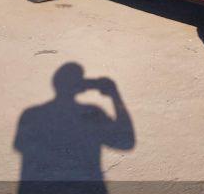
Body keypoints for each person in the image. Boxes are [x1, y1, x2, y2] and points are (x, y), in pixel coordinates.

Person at [14, 63, 135, 194]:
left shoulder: (32, 115)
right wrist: (115, 95)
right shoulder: (92, 113)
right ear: (81, 85)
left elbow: (26, 162)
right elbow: (126, 141)